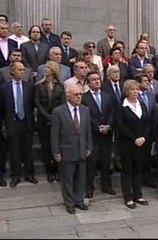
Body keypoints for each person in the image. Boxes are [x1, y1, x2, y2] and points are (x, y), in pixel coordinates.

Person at [51, 85, 92, 214]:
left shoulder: (85, 110)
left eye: (80, 94)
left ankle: (79, 200)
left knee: (81, 177)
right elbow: (54, 134)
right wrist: (56, 152)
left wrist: (89, 146)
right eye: (76, 95)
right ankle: (69, 202)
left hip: (81, 149)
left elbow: (87, 131)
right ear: (68, 96)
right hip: (66, 150)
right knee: (67, 179)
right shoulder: (58, 112)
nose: (79, 97)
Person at [0, 61, 38, 187]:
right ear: (12, 71)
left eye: (23, 70)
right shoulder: (4, 88)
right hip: (12, 122)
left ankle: (29, 173)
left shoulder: (29, 86)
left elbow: (32, 105)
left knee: (28, 149)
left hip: (26, 122)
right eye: (20, 70)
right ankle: (15, 175)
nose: (22, 72)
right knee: (14, 150)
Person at [116, 80, 151, 209]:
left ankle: (138, 195)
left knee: (138, 169)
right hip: (127, 144)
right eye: (132, 90)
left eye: (137, 89)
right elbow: (120, 126)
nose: (135, 92)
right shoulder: (122, 106)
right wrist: (134, 138)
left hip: (142, 143)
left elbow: (147, 122)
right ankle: (128, 197)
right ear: (127, 91)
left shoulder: (141, 104)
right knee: (127, 170)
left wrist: (144, 137)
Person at [82, 71, 116, 198]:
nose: (97, 81)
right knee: (91, 162)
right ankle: (89, 188)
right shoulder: (84, 97)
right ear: (88, 83)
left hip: (107, 134)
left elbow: (112, 112)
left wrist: (109, 126)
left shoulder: (107, 96)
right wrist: (98, 128)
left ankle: (107, 186)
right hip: (93, 135)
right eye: (93, 80)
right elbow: (87, 115)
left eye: (98, 79)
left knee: (106, 161)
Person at [34, 60, 65, 183]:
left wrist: (55, 117)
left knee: (56, 145)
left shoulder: (60, 86)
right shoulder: (38, 85)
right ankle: (49, 171)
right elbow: (37, 102)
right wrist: (47, 116)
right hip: (43, 119)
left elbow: (62, 102)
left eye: (48, 67)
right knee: (45, 146)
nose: (45, 69)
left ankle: (57, 170)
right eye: (45, 67)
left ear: (53, 70)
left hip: (57, 120)